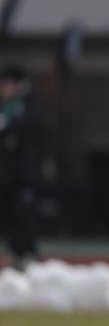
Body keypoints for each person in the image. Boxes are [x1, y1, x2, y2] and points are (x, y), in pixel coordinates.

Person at [0, 65, 40, 269]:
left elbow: (26, 131)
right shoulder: (4, 107)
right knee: (6, 213)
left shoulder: (27, 105)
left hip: (24, 174)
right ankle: (14, 251)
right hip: (5, 175)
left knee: (24, 209)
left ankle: (28, 252)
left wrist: (11, 134)